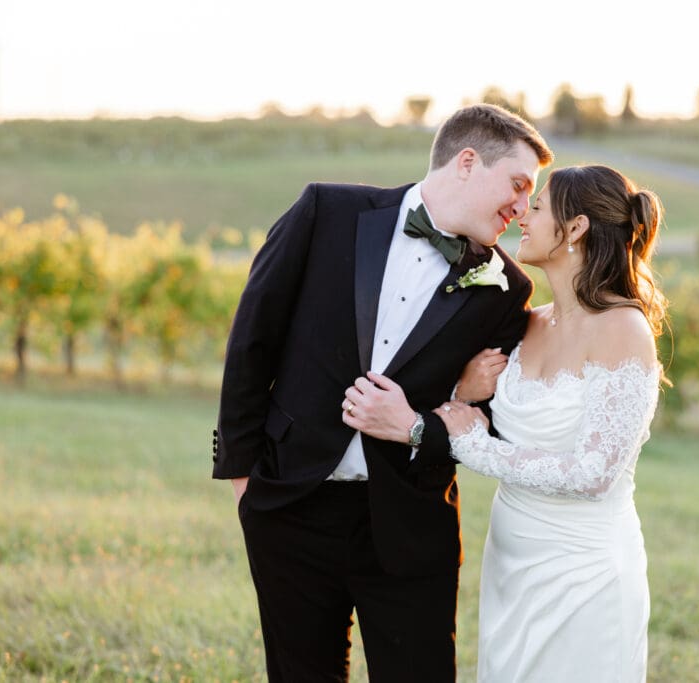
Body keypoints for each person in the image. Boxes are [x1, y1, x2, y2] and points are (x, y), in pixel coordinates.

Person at [211, 104, 554, 682]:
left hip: (410, 523)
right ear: (467, 162)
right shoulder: (327, 212)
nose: (523, 209)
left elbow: (487, 424)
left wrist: (454, 397)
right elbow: (252, 340)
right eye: (518, 186)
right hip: (291, 506)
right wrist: (245, 480)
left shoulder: (506, 288)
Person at [433, 164, 667, 682]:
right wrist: (463, 391)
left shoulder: (623, 329)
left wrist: (472, 446)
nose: (522, 214)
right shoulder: (529, 321)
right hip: (512, 557)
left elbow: (593, 473)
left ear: (576, 228)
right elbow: (481, 414)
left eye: (536, 207)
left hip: (584, 570)